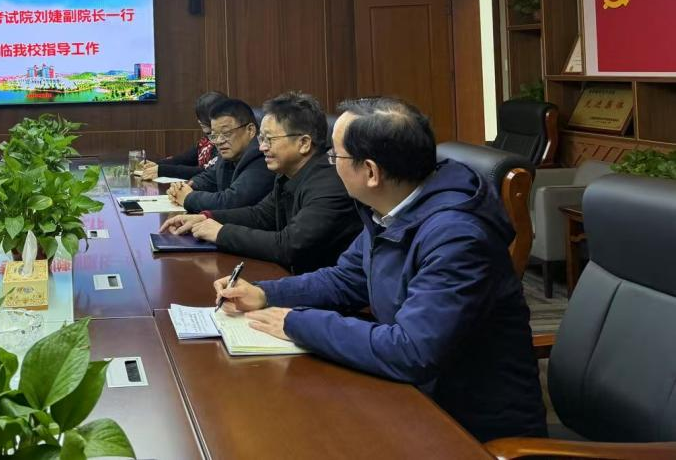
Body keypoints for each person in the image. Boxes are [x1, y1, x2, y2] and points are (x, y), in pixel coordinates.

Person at [213, 98, 546, 443]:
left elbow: (411, 351)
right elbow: (346, 279)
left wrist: (296, 323)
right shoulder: (392, 208)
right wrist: (266, 293)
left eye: (336, 156)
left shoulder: (457, 237)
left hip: (466, 427)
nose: (329, 163)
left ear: (371, 172)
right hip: (410, 397)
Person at [160, 92, 360, 272]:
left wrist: (221, 233)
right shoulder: (287, 173)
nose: (262, 147)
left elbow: (289, 246)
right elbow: (260, 215)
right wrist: (206, 217)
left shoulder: (329, 183)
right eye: (261, 139)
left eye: (269, 140)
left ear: (304, 143)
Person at [167, 98, 270, 212]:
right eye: (214, 135)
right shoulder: (228, 154)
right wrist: (184, 188)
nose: (219, 141)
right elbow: (208, 178)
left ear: (250, 130)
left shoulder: (262, 156)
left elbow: (230, 202)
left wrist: (188, 198)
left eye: (226, 133)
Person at [139, 90, 226, 181]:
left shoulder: (223, 142)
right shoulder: (206, 141)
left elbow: (208, 172)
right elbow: (182, 159)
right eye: (198, 117)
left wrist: (162, 170)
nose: (199, 121)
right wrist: (156, 165)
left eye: (202, 117)